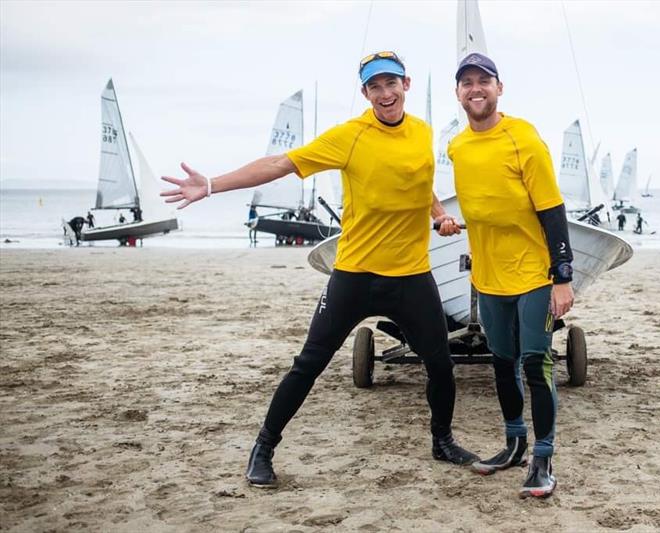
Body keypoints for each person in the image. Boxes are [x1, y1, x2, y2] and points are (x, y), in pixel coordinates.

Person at [161, 50, 477, 489]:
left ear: (406, 85)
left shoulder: (422, 133)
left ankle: (442, 441)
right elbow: (279, 165)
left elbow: (420, 187)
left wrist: (438, 214)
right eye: (374, 86)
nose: (384, 94)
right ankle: (264, 448)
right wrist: (212, 185)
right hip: (355, 275)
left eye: (391, 83)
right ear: (365, 93)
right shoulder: (349, 136)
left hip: (410, 275)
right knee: (309, 363)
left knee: (440, 364)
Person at [445, 52, 574, 499]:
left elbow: (552, 210)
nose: (475, 88)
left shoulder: (524, 138)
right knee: (501, 364)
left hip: (534, 276)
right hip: (489, 279)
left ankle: (543, 457)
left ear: (499, 88)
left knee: (536, 365)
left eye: (484, 80)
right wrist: (446, 220)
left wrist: (563, 276)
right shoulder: (457, 147)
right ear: (458, 93)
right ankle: (514, 443)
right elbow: (479, 206)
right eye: (466, 82)